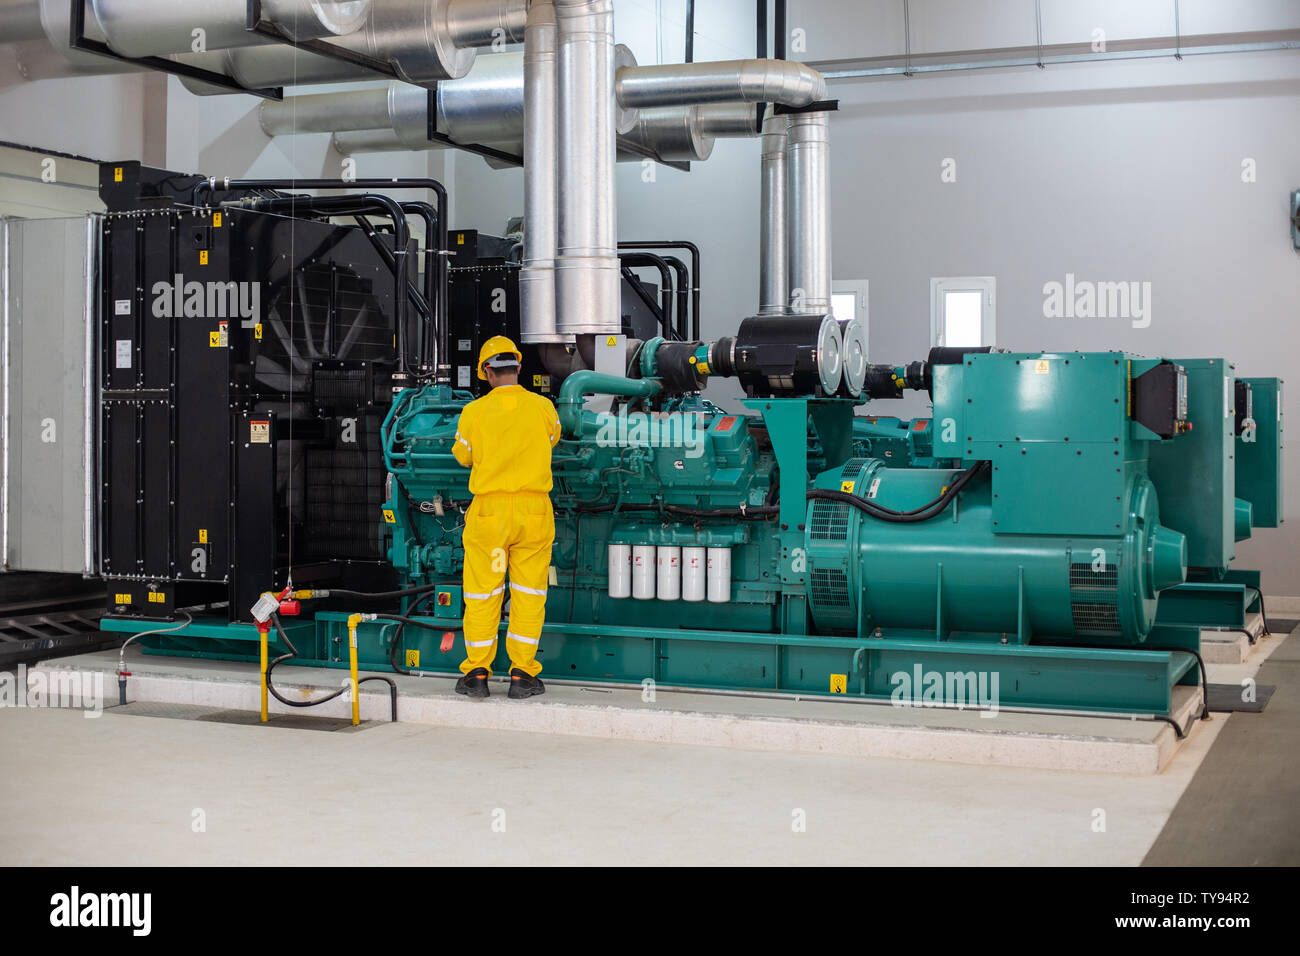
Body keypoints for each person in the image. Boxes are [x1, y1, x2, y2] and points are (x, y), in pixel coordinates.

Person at [450, 335, 560, 700]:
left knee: (484, 593)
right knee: (529, 593)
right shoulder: (543, 407)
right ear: (518, 367)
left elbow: (462, 456)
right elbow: (554, 437)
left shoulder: (474, 412)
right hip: (533, 511)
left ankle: (478, 674)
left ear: (486, 372)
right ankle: (522, 675)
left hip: (491, 514)